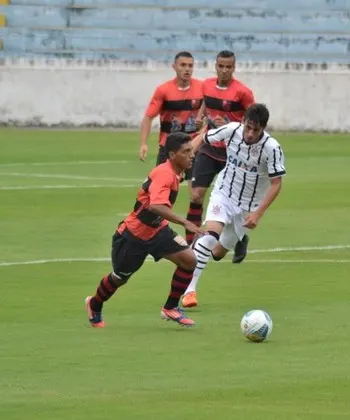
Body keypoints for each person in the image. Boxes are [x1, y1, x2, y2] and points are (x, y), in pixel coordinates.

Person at [85, 132, 205, 328]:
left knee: (189, 260)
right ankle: (94, 304)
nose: (192, 155)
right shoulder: (165, 174)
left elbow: (192, 146)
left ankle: (170, 308)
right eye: (186, 152)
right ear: (173, 155)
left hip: (158, 231)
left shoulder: (176, 167)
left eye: (191, 151)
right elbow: (156, 206)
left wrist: (205, 131)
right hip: (133, 235)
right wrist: (186, 223)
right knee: (119, 278)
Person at [183, 104, 285, 307]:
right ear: (244, 122)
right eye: (248, 127)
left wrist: (258, 214)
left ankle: (235, 239)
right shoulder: (231, 130)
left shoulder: (272, 148)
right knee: (210, 238)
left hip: (247, 208)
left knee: (218, 253)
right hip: (224, 194)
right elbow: (202, 139)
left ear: (263, 128)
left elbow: (276, 184)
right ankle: (189, 291)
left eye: (256, 130)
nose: (249, 133)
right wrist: (182, 163)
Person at [181, 50, 256, 281]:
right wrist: (201, 116)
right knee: (195, 196)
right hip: (209, 148)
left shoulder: (243, 92)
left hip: (232, 154)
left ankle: (240, 237)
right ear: (215, 66)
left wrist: (233, 124)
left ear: (234, 68)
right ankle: (192, 242)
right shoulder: (207, 85)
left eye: (229, 67)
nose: (224, 70)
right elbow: (205, 105)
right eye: (221, 66)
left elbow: (254, 122)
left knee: (230, 203)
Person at [138, 51, 205, 183]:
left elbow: (211, 114)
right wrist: (143, 143)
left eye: (190, 66)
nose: (187, 69)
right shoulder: (164, 90)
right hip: (169, 148)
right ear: (174, 67)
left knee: (197, 193)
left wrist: (202, 130)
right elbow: (148, 117)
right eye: (183, 65)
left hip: (193, 147)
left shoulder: (202, 88)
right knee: (161, 186)